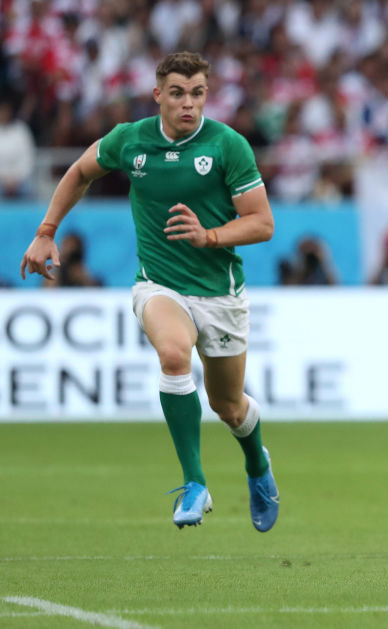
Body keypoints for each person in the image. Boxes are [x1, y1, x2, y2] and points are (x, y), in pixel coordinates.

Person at [19, 52, 279, 533]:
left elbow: (263, 223)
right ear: (158, 95)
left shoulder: (228, 146)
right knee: (175, 358)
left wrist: (210, 236)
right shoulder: (130, 140)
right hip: (159, 285)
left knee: (229, 406)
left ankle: (257, 465)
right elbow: (79, 171)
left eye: (198, 93)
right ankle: (196, 483)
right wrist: (46, 229)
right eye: (178, 93)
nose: (188, 104)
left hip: (220, 294)